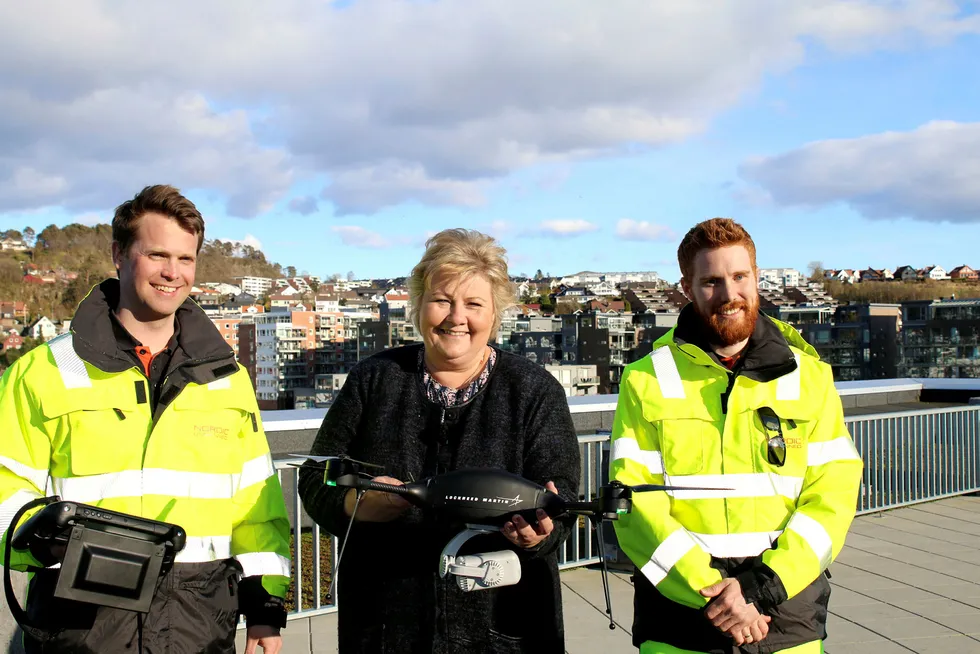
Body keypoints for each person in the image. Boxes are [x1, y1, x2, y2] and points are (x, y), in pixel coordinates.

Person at [0, 185, 291, 653]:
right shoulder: (43, 372)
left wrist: (264, 611)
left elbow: (256, 508)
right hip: (80, 626)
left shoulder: (227, 378)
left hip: (197, 628)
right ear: (119, 253)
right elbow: (4, 487)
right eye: (157, 254)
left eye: (186, 259)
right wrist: (46, 541)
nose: (173, 273)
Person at [299, 228, 581, 653]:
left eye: (473, 303)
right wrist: (362, 505)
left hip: (506, 628)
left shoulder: (533, 390)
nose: (456, 317)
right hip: (385, 628)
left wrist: (541, 533)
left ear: (496, 314)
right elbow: (316, 477)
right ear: (418, 305)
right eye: (442, 300)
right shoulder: (373, 380)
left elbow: (565, 498)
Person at [610, 218, 863, 654]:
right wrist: (718, 595)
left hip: (784, 618)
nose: (729, 294)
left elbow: (832, 501)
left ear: (757, 277)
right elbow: (634, 504)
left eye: (739, 276)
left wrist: (756, 591)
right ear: (687, 288)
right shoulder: (645, 380)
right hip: (680, 622)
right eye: (711, 282)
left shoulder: (811, 378)